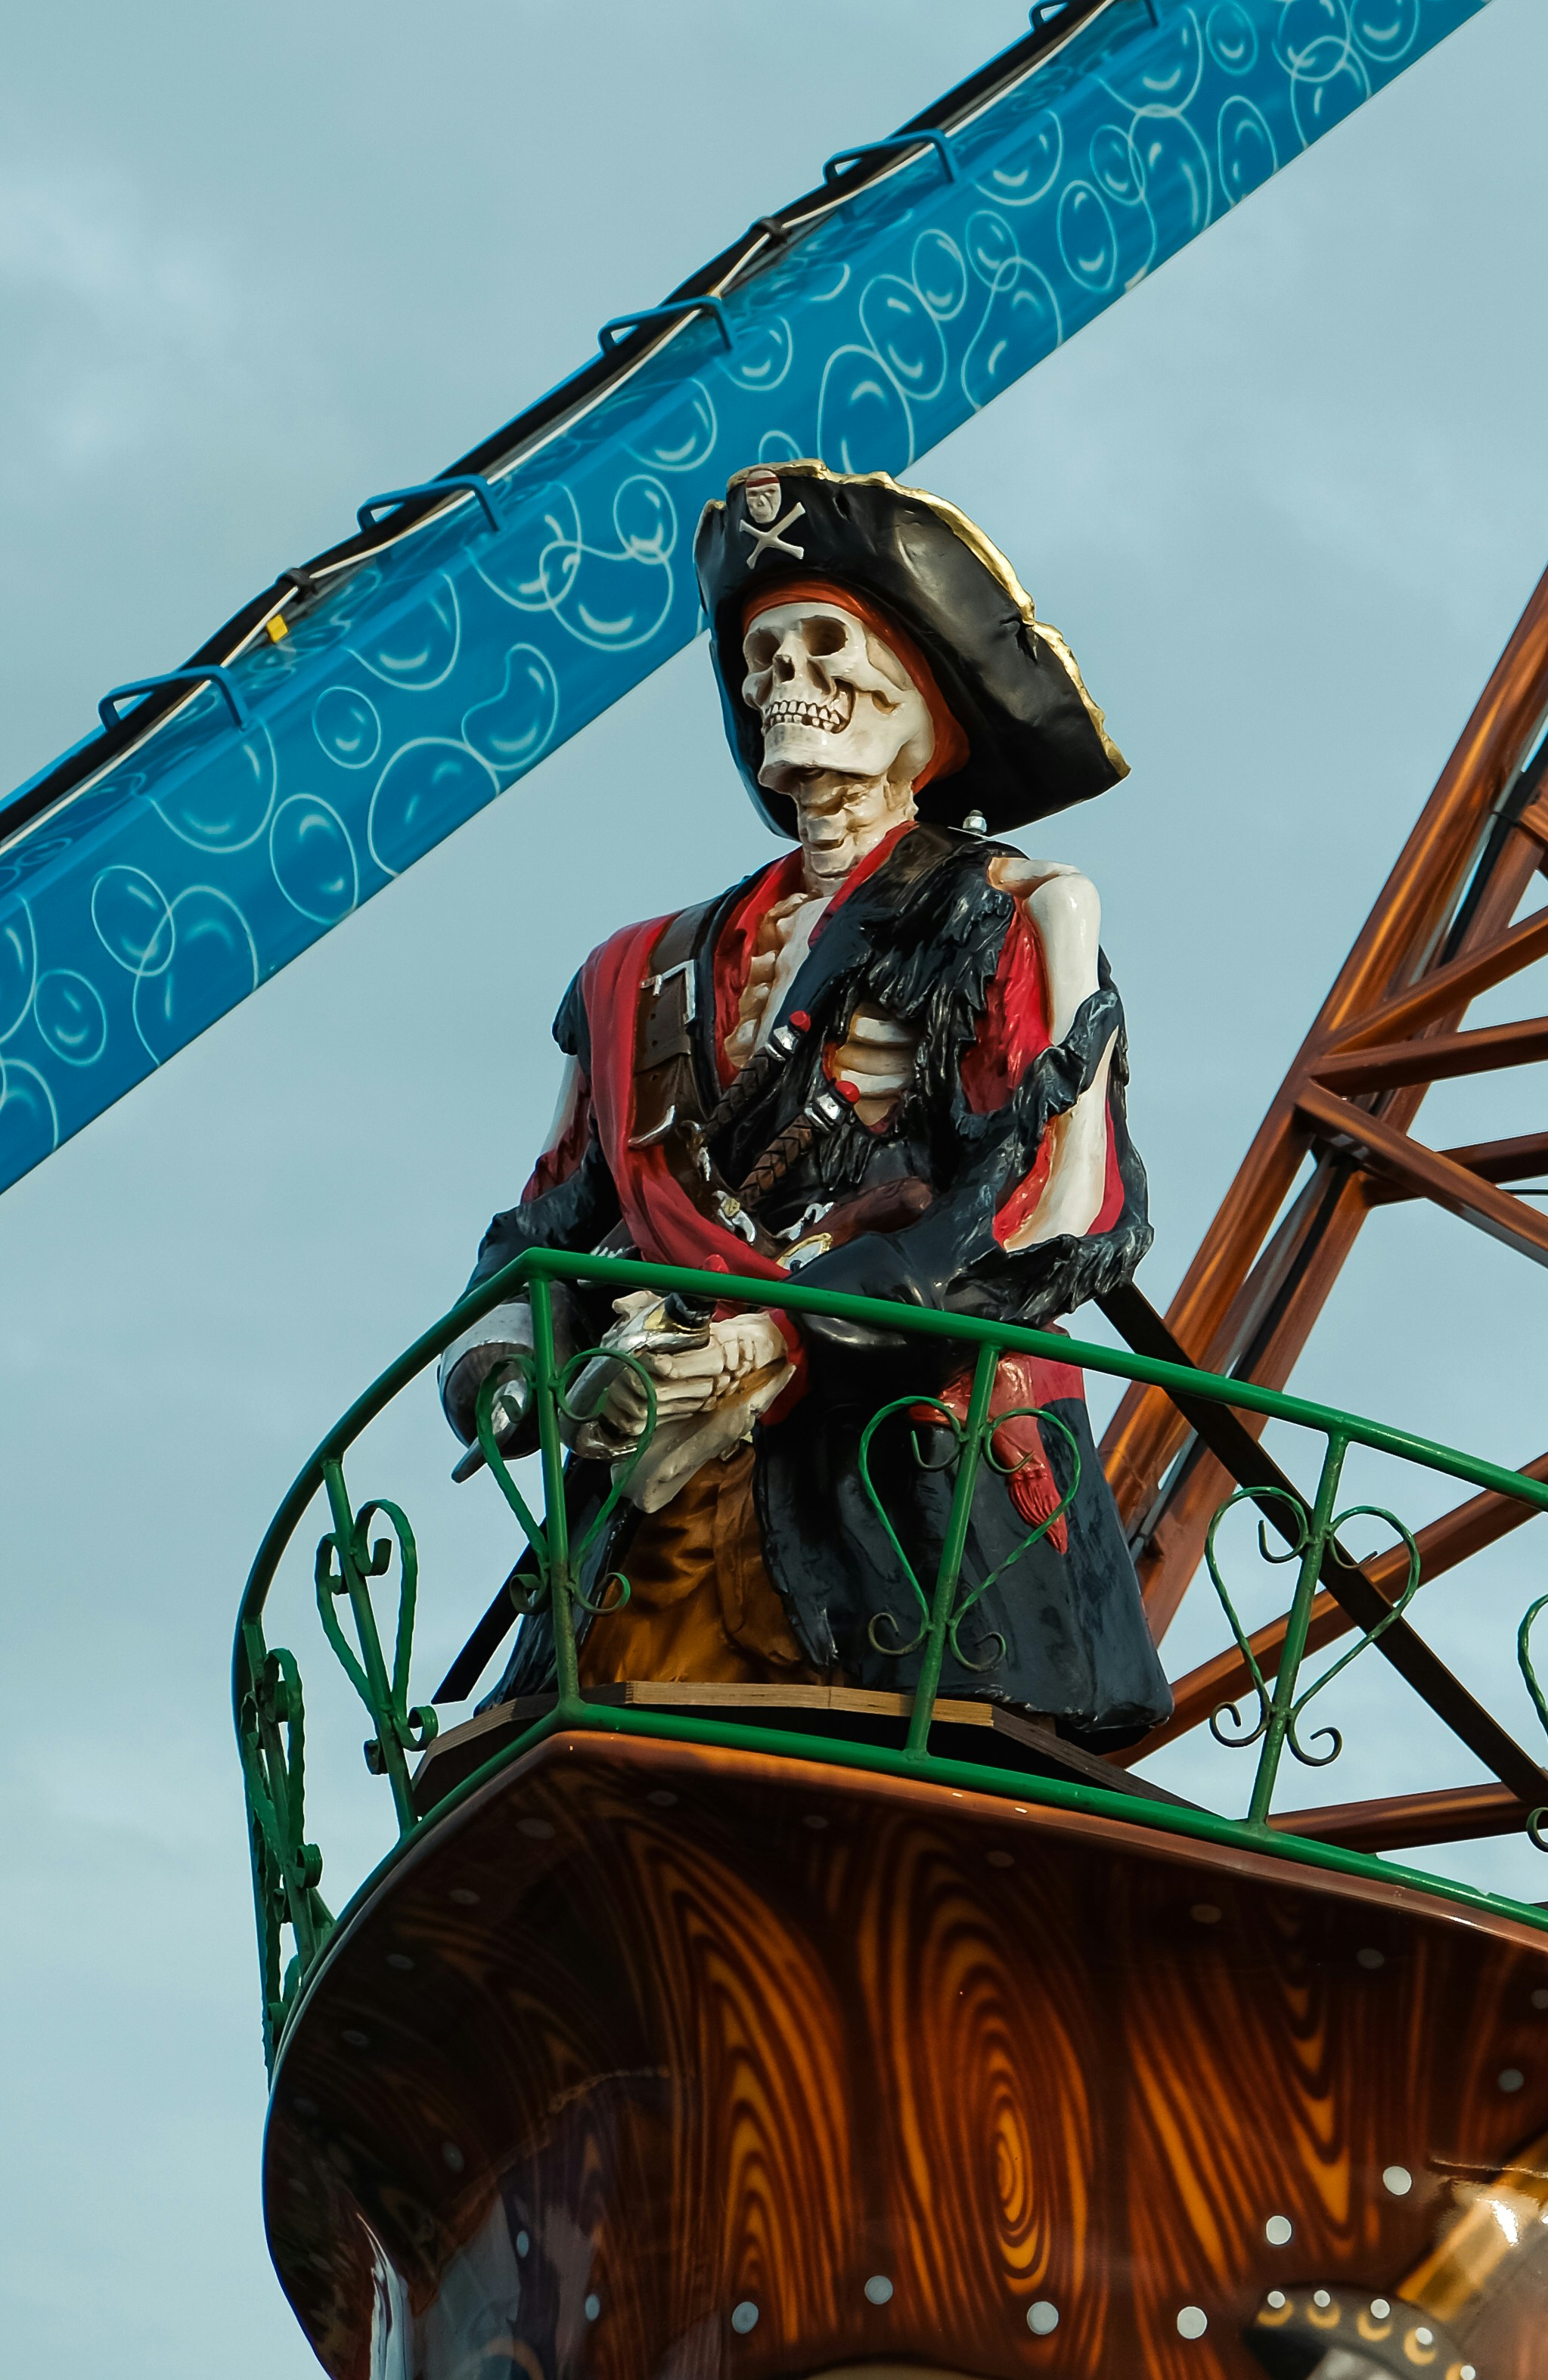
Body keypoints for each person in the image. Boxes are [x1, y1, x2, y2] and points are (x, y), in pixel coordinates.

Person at [441, 464, 1171, 1748]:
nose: (785, 673)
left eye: (828, 642)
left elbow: (1060, 1203)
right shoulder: (631, 971)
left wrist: (779, 1339)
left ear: (919, 697)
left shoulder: (1020, 910)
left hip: (913, 1505)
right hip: (653, 1503)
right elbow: (545, 1226)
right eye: (762, 649)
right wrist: (522, 1372)